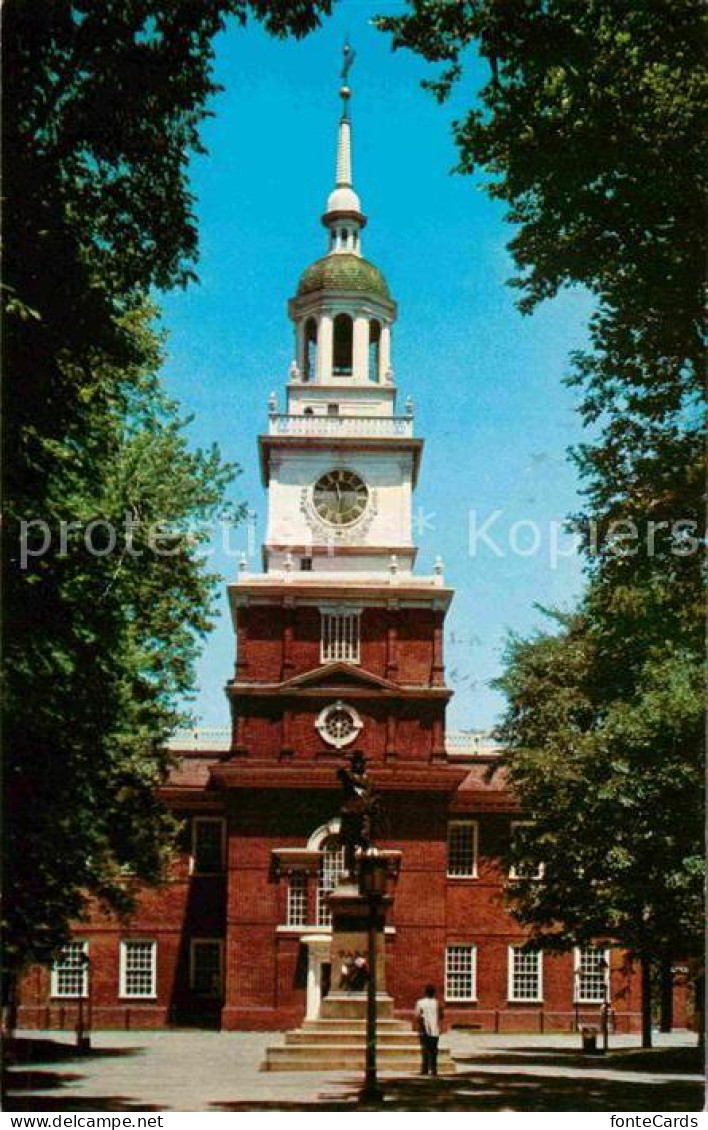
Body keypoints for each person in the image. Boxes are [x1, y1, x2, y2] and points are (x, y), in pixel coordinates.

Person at [414, 984, 442, 1076]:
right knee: (434, 1050)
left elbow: (417, 1015)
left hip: (424, 1028)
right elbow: (441, 1015)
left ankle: (425, 1069)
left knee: (425, 1049)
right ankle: (434, 1069)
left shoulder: (420, 1002)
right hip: (435, 1029)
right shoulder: (437, 1003)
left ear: (425, 992)